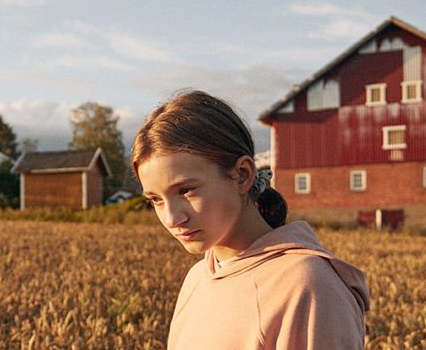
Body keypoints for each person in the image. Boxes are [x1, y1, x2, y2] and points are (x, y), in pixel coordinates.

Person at [131, 90, 370, 349]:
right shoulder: (198, 277)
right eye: (155, 199)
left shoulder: (306, 285)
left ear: (243, 175)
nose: (172, 218)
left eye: (186, 190)